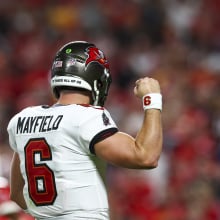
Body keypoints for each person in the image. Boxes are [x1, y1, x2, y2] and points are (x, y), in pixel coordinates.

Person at [7, 41, 163, 220]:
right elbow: (146, 157)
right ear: (96, 80)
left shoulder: (23, 119)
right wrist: (152, 99)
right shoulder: (85, 117)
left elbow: (17, 193)